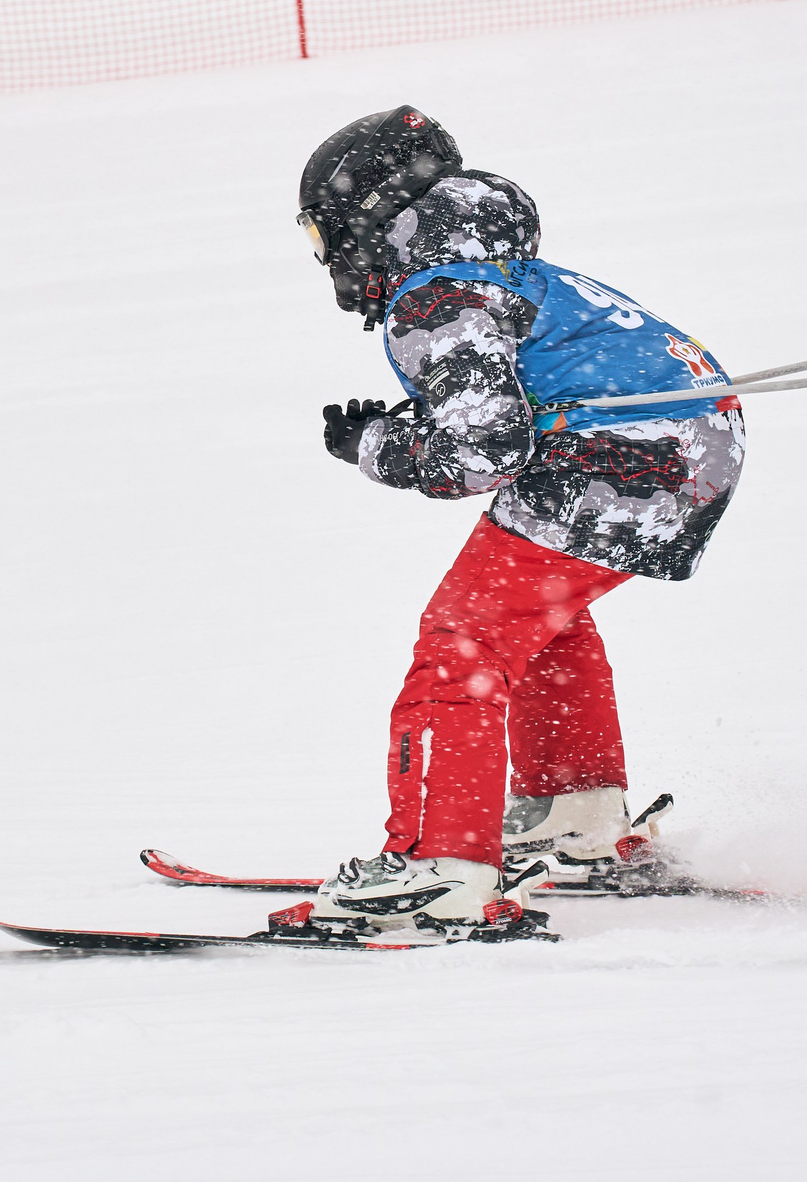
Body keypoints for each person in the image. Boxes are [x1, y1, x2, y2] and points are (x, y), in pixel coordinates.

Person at [296, 106, 745, 928]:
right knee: (537, 622)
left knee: (460, 639)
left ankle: (440, 862)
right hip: (689, 439)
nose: (328, 262)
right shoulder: (478, 268)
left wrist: (376, 449)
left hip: (625, 454)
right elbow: (503, 417)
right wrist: (394, 430)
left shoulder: (437, 293)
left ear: (369, 221)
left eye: (325, 239)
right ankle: (571, 819)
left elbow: (483, 447)